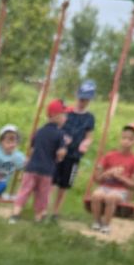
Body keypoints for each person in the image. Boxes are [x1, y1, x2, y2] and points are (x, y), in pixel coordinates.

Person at [8, 101, 68, 223]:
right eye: (63, 115)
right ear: (54, 115)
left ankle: (15, 214)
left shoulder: (39, 131)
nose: (65, 118)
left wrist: (29, 161)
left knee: (24, 191)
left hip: (32, 168)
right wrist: (61, 155)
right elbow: (61, 153)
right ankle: (39, 217)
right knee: (42, 195)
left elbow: (32, 149)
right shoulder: (60, 134)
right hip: (47, 170)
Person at [50, 79, 97, 219]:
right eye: (81, 98)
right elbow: (57, 127)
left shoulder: (90, 118)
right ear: (77, 95)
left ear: (90, 100)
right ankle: (45, 208)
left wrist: (85, 143)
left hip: (74, 156)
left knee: (64, 185)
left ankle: (56, 212)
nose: (83, 102)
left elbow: (89, 136)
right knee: (52, 181)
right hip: (60, 153)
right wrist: (62, 138)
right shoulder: (67, 112)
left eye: (86, 100)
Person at [89, 123, 134, 234]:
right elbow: (97, 178)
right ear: (120, 139)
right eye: (124, 138)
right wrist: (107, 173)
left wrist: (120, 177)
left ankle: (106, 225)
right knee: (96, 195)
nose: (126, 141)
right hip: (105, 187)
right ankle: (97, 222)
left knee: (110, 197)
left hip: (121, 191)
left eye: (130, 139)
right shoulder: (109, 156)